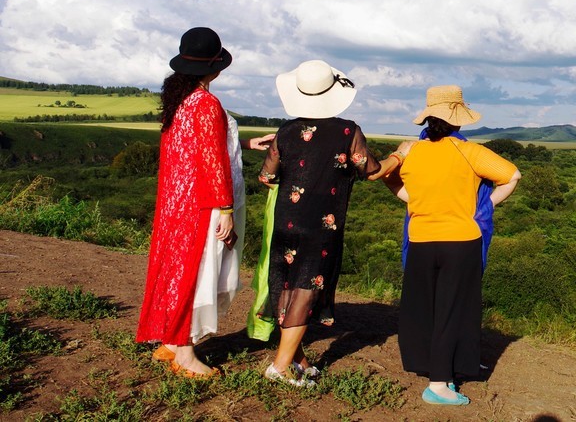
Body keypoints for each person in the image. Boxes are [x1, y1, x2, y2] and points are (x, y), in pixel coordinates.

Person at [375, 85, 521, 406]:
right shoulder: (471, 153)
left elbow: (389, 179)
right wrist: (485, 207)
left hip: (420, 240)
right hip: (461, 240)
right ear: (459, 120)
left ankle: (437, 366)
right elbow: (513, 175)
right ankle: (439, 385)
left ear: (428, 117)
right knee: (454, 310)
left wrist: (414, 201)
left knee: (423, 308)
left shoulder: (412, 152)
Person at [137, 26, 269, 378]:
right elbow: (211, 159)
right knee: (200, 273)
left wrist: (245, 145)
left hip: (178, 201)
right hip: (205, 204)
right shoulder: (207, 103)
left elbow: (194, 154)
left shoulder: (179, 102)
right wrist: (224, 209)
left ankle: (171, 342)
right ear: (216, 67)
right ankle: (184, 352)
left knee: (180, 270)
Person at [254, 60, 380, 387]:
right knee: (307, 288)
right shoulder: (347, 131)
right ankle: (281, 366)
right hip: (321, 224)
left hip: (287, 220)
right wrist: (401, 157)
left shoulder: (285, 131)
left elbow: (267, 177)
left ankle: (299, 360)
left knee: (286, 284)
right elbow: (369, 169)